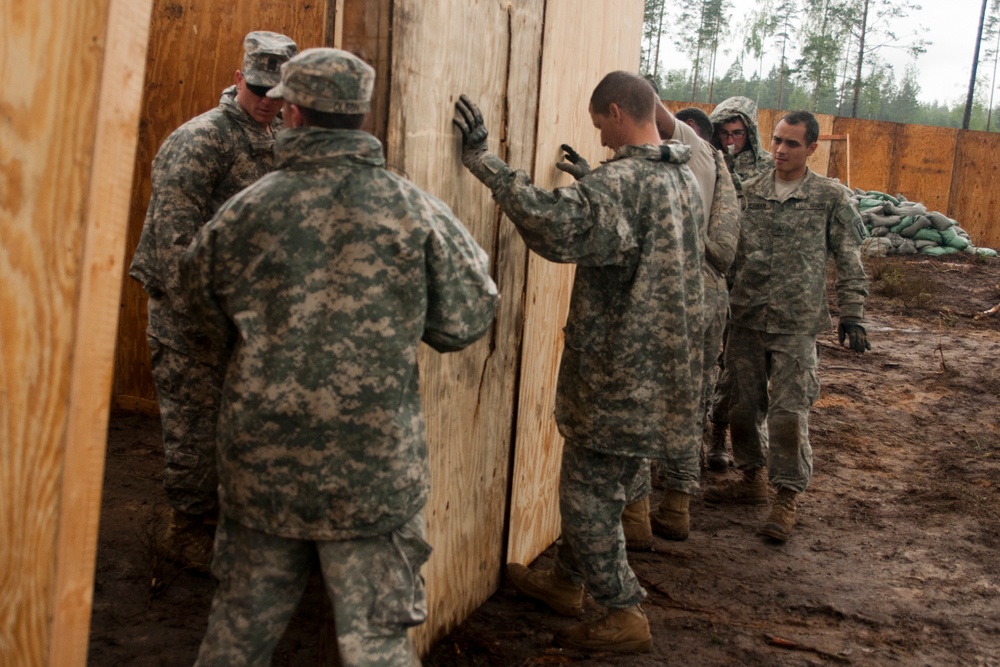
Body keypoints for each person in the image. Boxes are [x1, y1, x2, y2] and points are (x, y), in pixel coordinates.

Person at [180, 48, 498, 665]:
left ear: (292, 111)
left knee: (236, 637)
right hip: (372, 474)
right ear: (361, 114)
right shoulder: (417, 213)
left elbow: (196, 312)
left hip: (261, 468)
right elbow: (466, 320)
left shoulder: (243, 213)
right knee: (378, 646)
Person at [453, 71, 704, 653]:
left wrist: (485, 162)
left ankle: (622, 611)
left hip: (617, 374)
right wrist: (596, 185)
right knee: (605, 488)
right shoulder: (681, 177)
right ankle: (566, 582)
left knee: (585, 497)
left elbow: (551, 225)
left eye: (601, 128)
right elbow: (637, 235)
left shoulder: (622, 183)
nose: (603, 142)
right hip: (662, 374)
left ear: (617, 111)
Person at [129, 30, 298, 572]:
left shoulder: (280, 140)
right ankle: (186, 530)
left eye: (278, 91)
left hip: (244, 318)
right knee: (195, 427)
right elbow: (174, 245)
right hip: (191, 317)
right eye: (257, 87)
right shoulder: (201, 139)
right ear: (236, 77)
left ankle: (230, 520)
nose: (267, 99)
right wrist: (204, 320)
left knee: (241, 426)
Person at [703, 110, 870, 543]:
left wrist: (852, 312)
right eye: (777, 140)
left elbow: (850, 259)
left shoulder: (829, 197)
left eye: (792, 143)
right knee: (742, 406)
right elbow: (728, 251)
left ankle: (786, 497)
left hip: (796, 323)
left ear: (812, 148)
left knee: (790, 413)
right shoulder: (749, 191)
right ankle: (753, 479)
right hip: (746, 317)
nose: (780, 149)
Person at [702, 95, 776, 470]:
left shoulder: (767, 169)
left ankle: (723, 437)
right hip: (713, 276)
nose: (731, 140)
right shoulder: (708, 163)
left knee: (739, 368)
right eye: (724, 133)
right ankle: (707, 434)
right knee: (706, 360)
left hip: (751, 282)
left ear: (751, 133)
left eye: (738, 133)